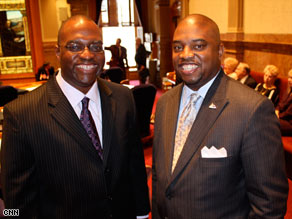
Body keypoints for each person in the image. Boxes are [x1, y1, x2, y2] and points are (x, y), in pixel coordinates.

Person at [1, 15, 150, 218]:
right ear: (57, 51)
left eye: (96, 47)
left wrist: (142, 213)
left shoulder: (123, 97)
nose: (87, 55)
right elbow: (16, 204)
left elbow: (134, 165)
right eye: (75, 46)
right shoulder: (21, 114)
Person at [152, 14, 288, 219]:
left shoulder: (252, 109)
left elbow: (269, 206)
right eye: (178, 47)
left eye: (198, 46)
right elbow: (160, 177)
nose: (185, 54)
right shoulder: (164, 103)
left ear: (220, 51)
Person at [276, 69, 292, 136]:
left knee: (270, 122)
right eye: (289, 77)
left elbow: (289, 113)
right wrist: (276, 110)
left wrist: (278, 116)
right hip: (282, 118)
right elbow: (281, 103)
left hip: (289, 122)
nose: (288, 80)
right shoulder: (288, 89)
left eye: (291, 78)